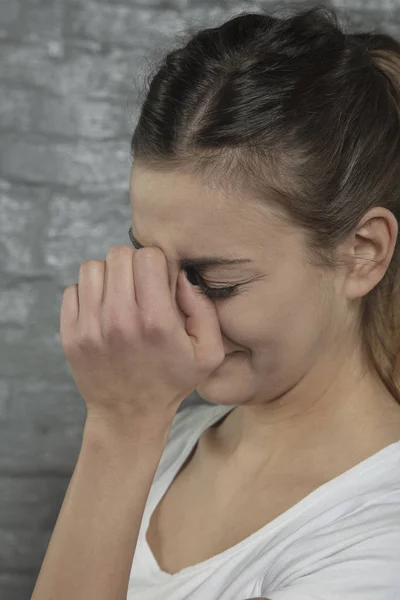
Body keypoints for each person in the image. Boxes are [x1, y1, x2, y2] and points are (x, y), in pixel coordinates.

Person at [126, 3, 400, 599]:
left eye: (215, 281)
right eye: (148, 262)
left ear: (363, 252)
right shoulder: (164, 441)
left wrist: (119, 428)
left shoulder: (380, 536)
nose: (164, 314)